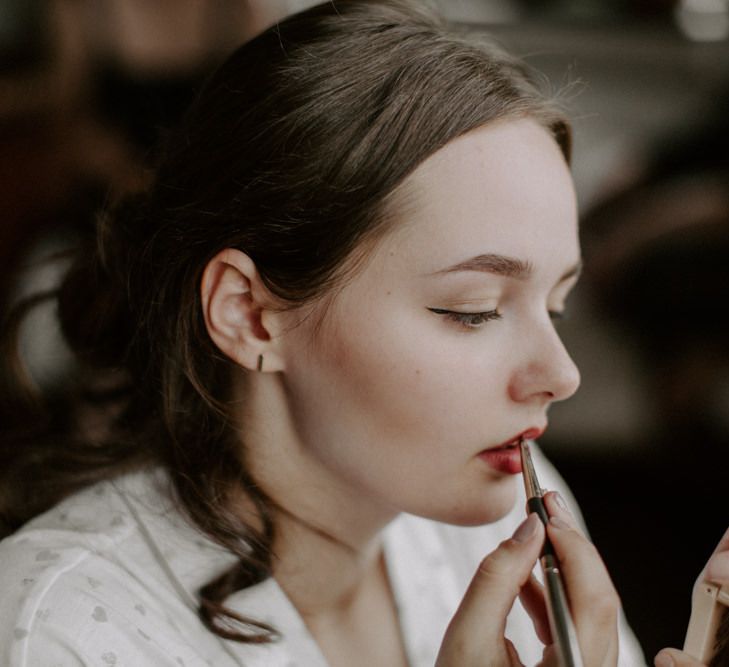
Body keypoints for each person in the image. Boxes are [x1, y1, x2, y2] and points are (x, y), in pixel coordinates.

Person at [0, 1, 723, 665]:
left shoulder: (490, 510)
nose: (561, 374)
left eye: (555, 304)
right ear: (249, 313)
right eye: (471, 309)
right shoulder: (60, 631)